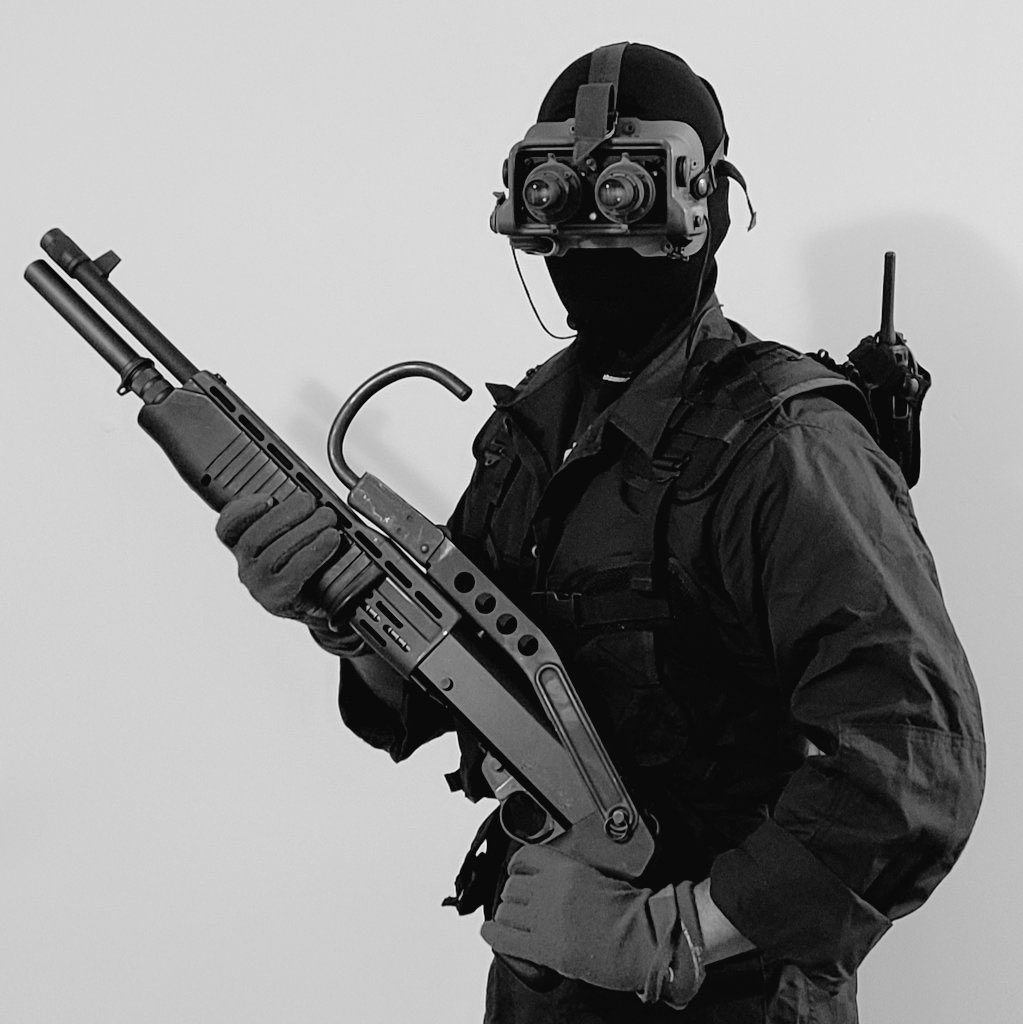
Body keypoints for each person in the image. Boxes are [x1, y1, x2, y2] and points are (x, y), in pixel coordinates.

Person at [214, 42, 985, 1023]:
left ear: (705, 204)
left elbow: (915, 759)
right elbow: (468, 683)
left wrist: (671, 932)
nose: (590, 230)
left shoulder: (787, 448)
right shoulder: (536, 426)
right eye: (560, 195)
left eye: (625, 190)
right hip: (542, 975)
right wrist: (346, 615)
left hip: (730, 993)